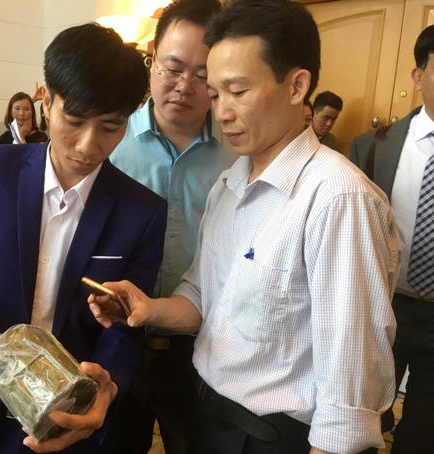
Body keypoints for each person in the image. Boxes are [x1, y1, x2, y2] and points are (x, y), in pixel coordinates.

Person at [89, 1, 400, 453]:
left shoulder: (337, 198)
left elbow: (351, 382)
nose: (222, 113)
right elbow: (201, 298)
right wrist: (147, 308)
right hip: (211, 415)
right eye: (216, 95)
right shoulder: (230, 184)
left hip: (275, 436)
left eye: (237, 91)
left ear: (297, 86)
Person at [0, 23, 166, 454]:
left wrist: (106, 385)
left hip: (70, 414)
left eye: (110, 126)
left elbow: (125, 327)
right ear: (46, 99)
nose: (88, 145)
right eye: (74, 120)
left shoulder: (142, 211)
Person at [107, 1, 227, 453]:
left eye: (202, 75)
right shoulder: (111, 140)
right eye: (173, 68)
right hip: (116, 338)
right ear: (152, 60)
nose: (183, 86)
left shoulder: (239, 153)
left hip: (202, 346)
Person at [350, 24, 434, 454]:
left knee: (424, 430)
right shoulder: (372, 148)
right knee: (361, 418)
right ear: (418, 76)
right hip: (382, 305)